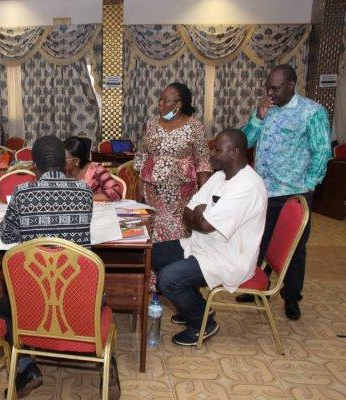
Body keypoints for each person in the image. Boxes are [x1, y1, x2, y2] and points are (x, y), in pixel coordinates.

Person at [0, 135, 110, 399]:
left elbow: (6, 235)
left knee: (3, 307)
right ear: (63, 162)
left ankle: (27, 367)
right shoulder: (84, 192)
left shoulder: (23, 193)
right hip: (81, 296)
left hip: (35, 298)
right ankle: (108, 361)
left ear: (34, 166)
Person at [153, 129, 267, 346]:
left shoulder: (247, 186)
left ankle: (202, 324)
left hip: (228, 258)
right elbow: (187, 211)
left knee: (167, 280)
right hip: (202, 244)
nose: (212, 154)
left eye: (217, 149)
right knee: (156, 254)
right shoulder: (219, 176)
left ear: (234, 152)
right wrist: (201, 214)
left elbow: (204, 224)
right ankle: (198, 308)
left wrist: (201, 215)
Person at [237, 64, 332, 320]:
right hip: (263, 191)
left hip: (293, 193)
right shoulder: (266, 108)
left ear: (291, 85)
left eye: (275, 88)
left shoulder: (312, 112)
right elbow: (245, 142)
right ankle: (258, 287)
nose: (269, 93)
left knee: (293, 248)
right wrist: (258, 118)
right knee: (260, 242)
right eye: (267, 87)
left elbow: (322, 151)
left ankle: (291, 298)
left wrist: (309, 185)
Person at [134, 82, 212, 242]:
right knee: (153, 230)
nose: (160, 103)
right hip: (152, 191)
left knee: (178, 231)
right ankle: (154, 257)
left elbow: (203, 161)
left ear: (179, 104)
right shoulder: (151, 124)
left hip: (181, 193)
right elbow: (141, 156)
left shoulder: (195, 127)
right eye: (160, 99)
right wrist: (139, 187)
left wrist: (205, 194)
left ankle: (176, 256)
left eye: (166, 100)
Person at [63, 136, 123, 201]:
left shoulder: (95, 169)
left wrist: (85, 197)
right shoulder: (61, 171)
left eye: (64, 159)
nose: (60, 161)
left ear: (76, 161)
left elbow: (116, 192)